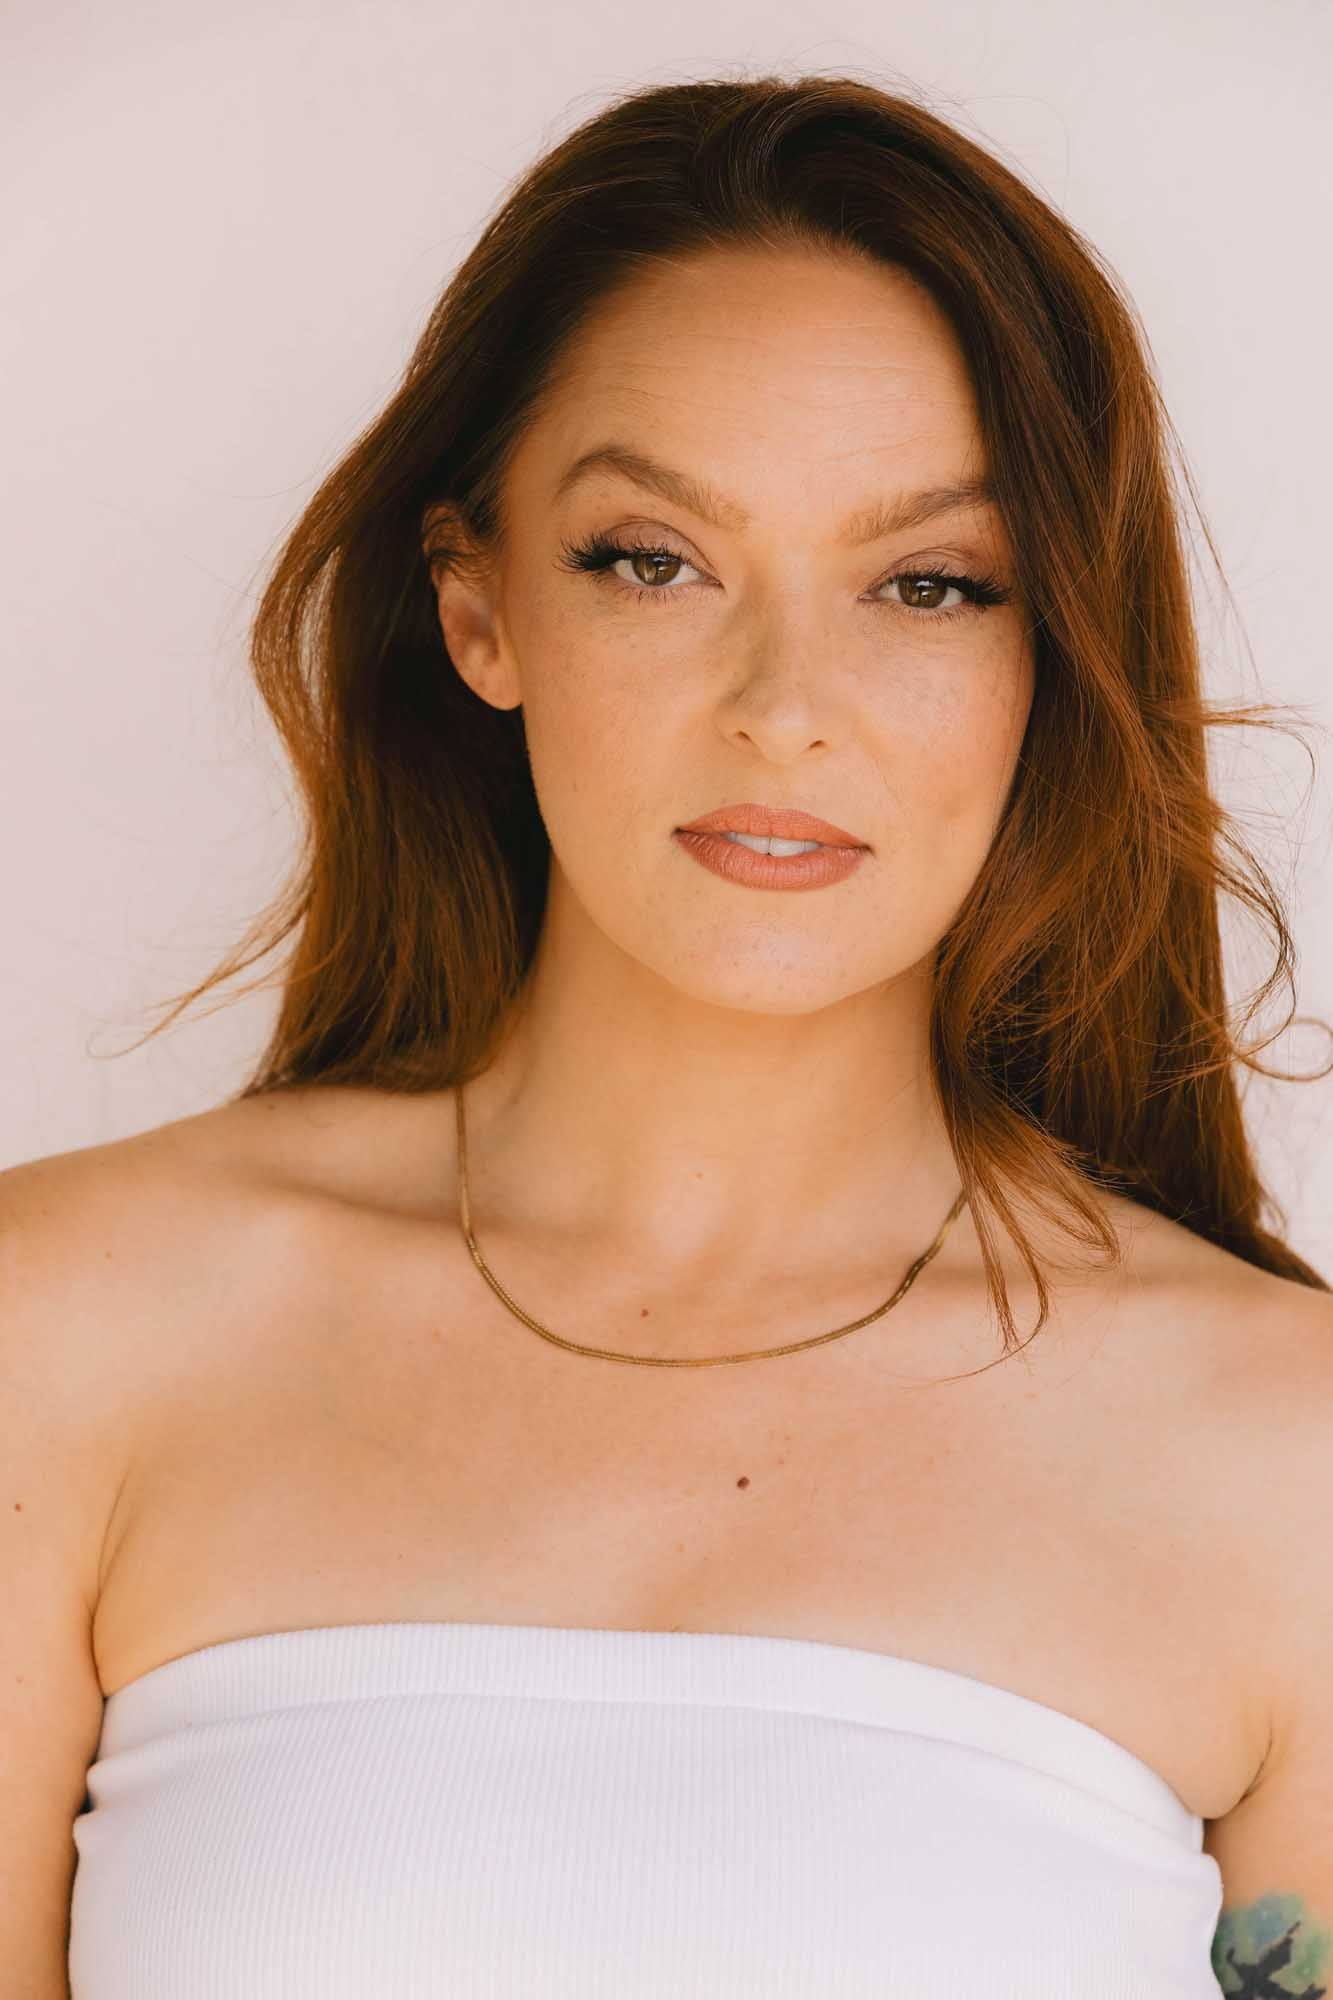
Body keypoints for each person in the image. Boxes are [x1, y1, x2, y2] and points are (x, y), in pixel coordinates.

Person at [4, 70, 1331, 2000]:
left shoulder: (1288, 1464)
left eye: (929, 584)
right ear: (478, 610)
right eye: (654, 559)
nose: (785, 705)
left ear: (1048, 660)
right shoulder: (66, 1333)